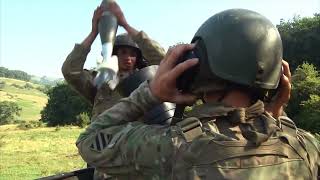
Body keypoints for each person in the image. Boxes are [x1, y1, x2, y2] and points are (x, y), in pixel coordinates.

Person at [76, 9, 319, 179]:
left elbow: (90, 141)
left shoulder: (174, 147)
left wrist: (150, 93)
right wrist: (277, 115)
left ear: (199, 67)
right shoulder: (306, 146)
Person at [62, 2, 165, 119]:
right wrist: (94, 32)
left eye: (133, 54)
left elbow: (164, 60)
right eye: (123, 53)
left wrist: (125, 25)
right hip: (105, 135)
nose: (128, 58)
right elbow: (70, 71)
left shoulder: (145, 79)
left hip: (139, 134)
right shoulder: (100, 81)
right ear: (114, 55)